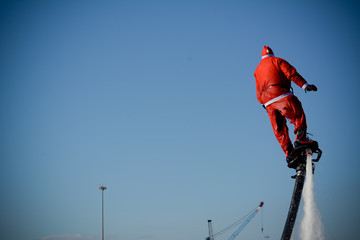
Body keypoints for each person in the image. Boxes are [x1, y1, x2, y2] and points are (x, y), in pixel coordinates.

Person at [254, 46, 318, 168]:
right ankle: (301, 137)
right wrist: (305, 85)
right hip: (281, 94)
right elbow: (291, 73)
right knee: (297, 111)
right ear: (272, 53)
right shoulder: (278, 61)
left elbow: (258, 91)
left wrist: (263, 103)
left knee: (280, 130)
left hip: (267, 103)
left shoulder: (257, 70)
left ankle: (290, 153)